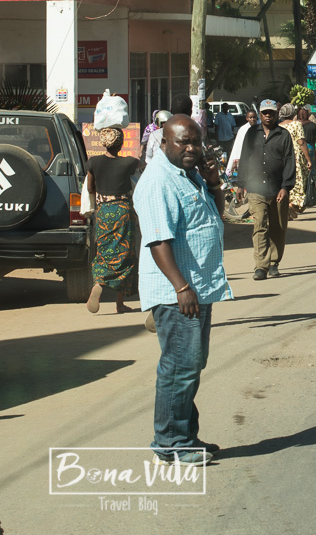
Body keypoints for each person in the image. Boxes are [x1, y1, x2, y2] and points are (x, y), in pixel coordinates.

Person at [134, 115, 233, 467]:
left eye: (196, 142)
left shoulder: (190, 175)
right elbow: (158, 240)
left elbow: (214, 219)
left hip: (197, 287)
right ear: (164, 143)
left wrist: (214, 184)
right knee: (179, 367)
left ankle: (186, 435)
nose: (191, 148)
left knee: (192, 364)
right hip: (178, 292)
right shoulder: (158, 181)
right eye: (183, 142)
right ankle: (170, 442)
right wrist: (181, 286)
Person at [85, 128, 142, 314]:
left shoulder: (93, 162)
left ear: (103, 143)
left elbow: (90, 188)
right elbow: (141, 167)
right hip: (123, 211)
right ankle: (120, 304)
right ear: (121, 144)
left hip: (103, 211)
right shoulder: (129, 162)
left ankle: (99, 283)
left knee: (103, 251)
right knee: (125, 255)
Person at [238, 100, 295, 280]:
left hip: (278, 189)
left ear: (276, 114)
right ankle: (261, 266)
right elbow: (244, 158)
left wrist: (285, 187)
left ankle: (274, 263)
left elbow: (289, 161)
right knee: (260, 225)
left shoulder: (283, 135)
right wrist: (240, 184)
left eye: (271, 112)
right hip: (256, 189)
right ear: (260, 115)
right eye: (265, 113)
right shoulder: (251, 134)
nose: (268, 115)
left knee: (278, 227)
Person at [145, 95, 192, 163]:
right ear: (190, 112)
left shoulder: (155, 135)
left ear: (171, 111)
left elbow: (148, 160)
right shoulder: (195, 135)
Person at [226, 109, 258, 175]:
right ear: (247, 118)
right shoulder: (243, 129)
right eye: (250, 117)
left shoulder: (260, 127)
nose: (252, 119)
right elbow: (238, 146)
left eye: (254, 117)